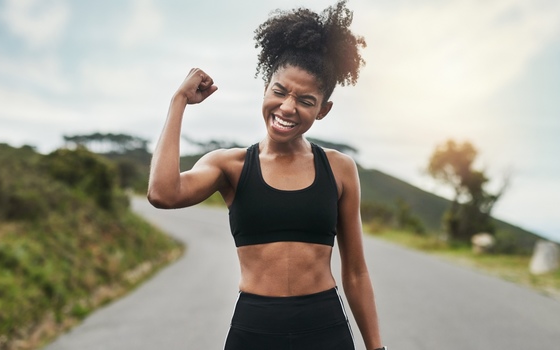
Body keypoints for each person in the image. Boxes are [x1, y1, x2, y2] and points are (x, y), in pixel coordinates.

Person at [147, 1, 385, 349]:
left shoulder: (339, 169)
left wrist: (376, 347)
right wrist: (178, 101)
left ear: (323, 110)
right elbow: (162, 193)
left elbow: (356, 272)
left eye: (305, 100)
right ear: (265, 88)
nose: (287, 107)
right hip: (254, 329)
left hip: (325, 329)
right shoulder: (230, 166)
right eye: (279, 91)